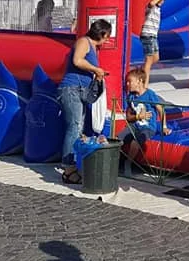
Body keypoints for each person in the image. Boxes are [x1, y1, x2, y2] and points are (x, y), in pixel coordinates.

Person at [58, 19, 111, 184]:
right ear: (101, 34)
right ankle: (68, 169)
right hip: (72, 89)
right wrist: (96, 69)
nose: (107, 40)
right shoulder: (84, 41)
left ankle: (72, 164)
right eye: (107, 36)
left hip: (81, 90)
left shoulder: (94, 47)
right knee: (74, 126)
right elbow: (77, 60)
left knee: (78, 126)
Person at [121, 68, 169, 159]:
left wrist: (164, 127)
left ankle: (128, 165)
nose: (127, 84)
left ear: (139, 81)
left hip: (148, 127)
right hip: (134, 126)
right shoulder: (131, 96)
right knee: (117, 140)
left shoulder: (150, 94)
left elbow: (160, 109)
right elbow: (128, 116)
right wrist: (138, 116)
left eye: (129, 81)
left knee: (135, 143)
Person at [140, 0, 167, 79]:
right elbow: (151, 4)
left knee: (156, 58)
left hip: (153, 36)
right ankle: (145, 82)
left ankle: (141, 71)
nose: (162, 0)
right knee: (149, 59)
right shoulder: (151, 7)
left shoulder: (158, 9)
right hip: (148, 34)